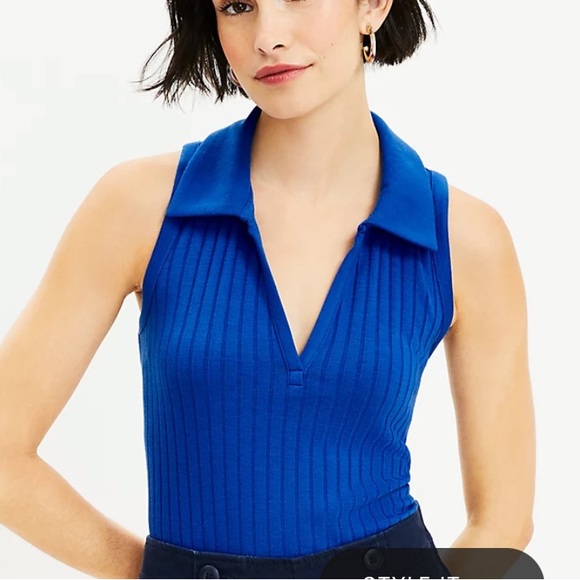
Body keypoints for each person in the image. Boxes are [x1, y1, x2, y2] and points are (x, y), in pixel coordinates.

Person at [0, 0, 536, 578]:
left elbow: (503, 520)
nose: (267, 36)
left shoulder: (463, 238)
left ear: (373, 6)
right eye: (237, 6)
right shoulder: (139, 207)